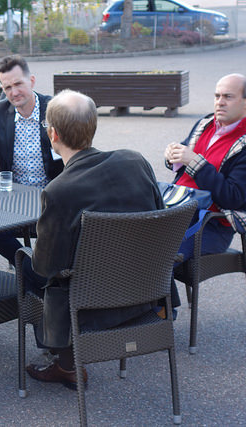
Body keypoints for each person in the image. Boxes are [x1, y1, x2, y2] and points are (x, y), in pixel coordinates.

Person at [20, 90, 163, 390]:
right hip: (144, 291)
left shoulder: (60, 191)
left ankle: (66, 363)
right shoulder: (136, 162)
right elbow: (158, 220)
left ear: (52, 133)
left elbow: (47, 267)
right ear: (93, 126)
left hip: (88, 305)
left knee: (28, 269)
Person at [164, 73, 246, 263]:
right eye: (217, 96)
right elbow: (183, 162)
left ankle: (157, 292)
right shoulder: (205, 124)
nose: (220, 102)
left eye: (228, 97)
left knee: (157, 258)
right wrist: (172, 155)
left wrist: (196, 163)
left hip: (212, 226)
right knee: (129, 241)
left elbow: (233, 198)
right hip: (177, 211)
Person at [0, 55, 64, 266]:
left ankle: (38, 270)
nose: (14, 93)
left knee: (70, 226)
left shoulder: (54, 109)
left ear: (31, 81)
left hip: (51, 196)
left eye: (18, 84)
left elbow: (75, 153)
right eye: (7, 87)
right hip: (12, 199)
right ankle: (27, 267)